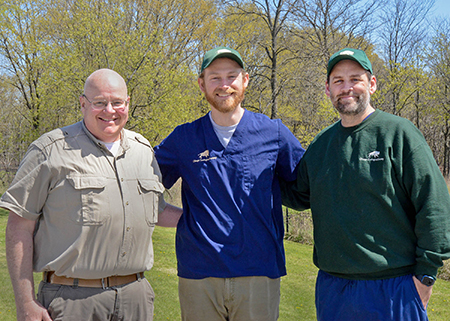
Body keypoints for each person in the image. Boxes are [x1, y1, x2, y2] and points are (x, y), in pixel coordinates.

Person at [280, 48, 450, 321]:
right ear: (327, 89)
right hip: (334, 289)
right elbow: (299, 195)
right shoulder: (322, 144)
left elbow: (434, 205)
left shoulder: (398, 133)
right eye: (338, 81)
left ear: (371, 84)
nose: (346, 88)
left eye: (355, 79)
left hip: (394, 287)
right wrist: (255, 171)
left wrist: (426, 276)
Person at [1, 68, 182, 321]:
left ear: (127, 104)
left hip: (135, 298)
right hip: (72, 300)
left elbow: (157, 210)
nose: (110, 111)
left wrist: (206, 218)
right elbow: (19, 226)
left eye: (117, 102)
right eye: (100, 103)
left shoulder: (143, 151)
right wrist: (25, 303)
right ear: (83, 104)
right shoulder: (50, 151)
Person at [154, 46, 305, 321]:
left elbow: (310, 186)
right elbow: (138, 185)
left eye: (231, 76)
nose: (224, 85)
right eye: (214, 78)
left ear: (245, 80)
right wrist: (184, 219)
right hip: (199, 274)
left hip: (258, 272)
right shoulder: (183, 139)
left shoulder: (274, 133)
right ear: (202, 84)